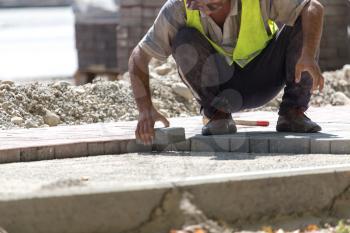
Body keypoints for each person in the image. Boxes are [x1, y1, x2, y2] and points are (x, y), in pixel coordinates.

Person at [129, 0, 325, 145]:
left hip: (265, 77)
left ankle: (293, 113)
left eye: (212, 6)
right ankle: (217, 116)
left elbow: (313, 7)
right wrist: (145, 109)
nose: (204, 12)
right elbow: (139, 55)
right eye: (196, 5)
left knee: (303, 19)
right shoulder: (178, 7)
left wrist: (307, 54)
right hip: (221, 91)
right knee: (184, 39)